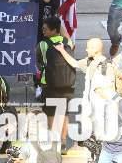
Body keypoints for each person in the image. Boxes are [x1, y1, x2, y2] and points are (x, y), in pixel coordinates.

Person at [37, 16, 76, 147]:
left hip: (49, 85)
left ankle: (54, 142)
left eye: (45, 29)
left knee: (50, 113)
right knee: (64, 113)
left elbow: (39, 62)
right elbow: (67, 37)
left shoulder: (43, 45)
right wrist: (59, 23)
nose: (43, 31)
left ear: (54, 30)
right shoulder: (68, 42)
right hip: (67, 84)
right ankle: (63, 141)